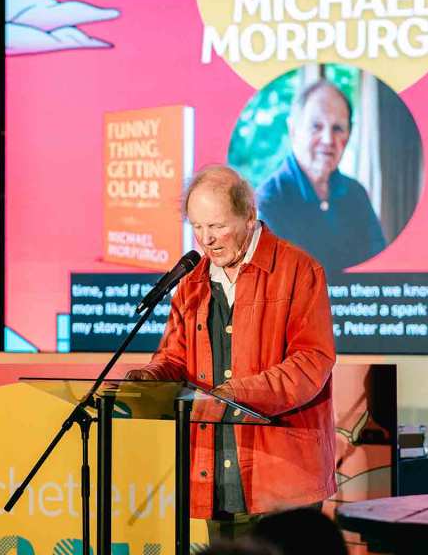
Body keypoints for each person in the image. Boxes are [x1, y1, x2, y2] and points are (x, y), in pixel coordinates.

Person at [126, 166, 337, 543]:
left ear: (249, 216)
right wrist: (151, 377)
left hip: (283, 478)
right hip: (216, 475)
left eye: (217, 226)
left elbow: (310, 363)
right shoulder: (190, 283)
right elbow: (175, 358)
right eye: (197, 226)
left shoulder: (298, 270)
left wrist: (237, 393)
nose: (206, 239)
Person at [256, 80, 386, 273]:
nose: (328, 140)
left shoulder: (356, 194)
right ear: (293, 130)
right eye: (316, 126)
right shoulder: (267, 202)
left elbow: (380, 267)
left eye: (337, 128)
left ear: (349, 135)